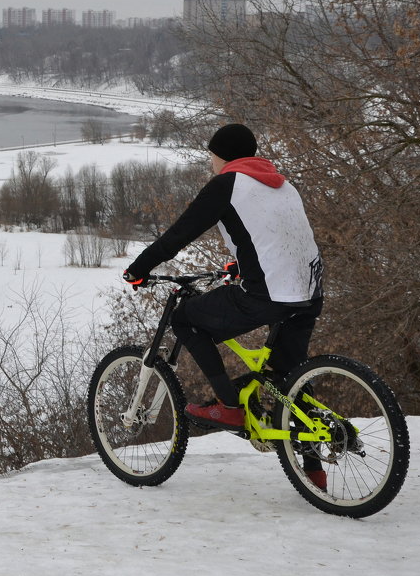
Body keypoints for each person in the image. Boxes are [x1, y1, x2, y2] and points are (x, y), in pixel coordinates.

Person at [122, 123, 324, 436]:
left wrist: (138, 268)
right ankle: (313, 470)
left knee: (185, 319)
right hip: (309, 292)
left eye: (212, 157)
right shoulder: (282, 184)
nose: (211, 164)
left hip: (268, 294)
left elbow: (180, 233)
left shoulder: (227, 183)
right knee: (290, 377)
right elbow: (276, 239)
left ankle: (229, 407)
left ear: (223, 156)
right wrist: (241, 266)